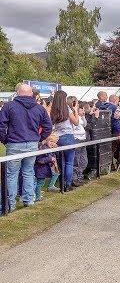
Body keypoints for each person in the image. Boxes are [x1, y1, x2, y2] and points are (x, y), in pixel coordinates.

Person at [0, 83, 52, 211]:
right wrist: (39, 139)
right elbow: (48, 127)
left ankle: (10, 204)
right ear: (31, 94)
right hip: (31, 144)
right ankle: (28, 200)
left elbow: (1, 126)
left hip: (15, 143)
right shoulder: (39, 108)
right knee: (28, 172)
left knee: (12, 175)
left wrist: (5, 140)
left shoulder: (9, 106)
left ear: (17, 93)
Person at [50, 90, 80, 192]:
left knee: (61, 162)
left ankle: (62, 183)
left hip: (57, 138)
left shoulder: (52, 109)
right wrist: (75, 110)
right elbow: (76, 122)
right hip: (68, 136)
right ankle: (68, 184)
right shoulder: (67, 109)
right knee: (69, 162)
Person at [70, 97, 88, 187]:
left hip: (83, 139)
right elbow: (75, 124)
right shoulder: (71, 114)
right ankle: (75, 179)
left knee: (83, 160)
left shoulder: (80, 116)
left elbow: (84, 124)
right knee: (76, 161)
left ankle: (80, 176)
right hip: (76, 139)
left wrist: (83, 115)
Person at [35, 134, 59, 201]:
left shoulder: (50, 149)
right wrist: (50, 159)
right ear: (46, 141)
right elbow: (39, 160)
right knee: (39, 183)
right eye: (51, 141)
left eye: (54, 142)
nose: (53, 143)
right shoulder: (43, 149)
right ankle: (37, 197)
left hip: (44, 169)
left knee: (41, 183)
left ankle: (38, 193)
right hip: (40, 169)